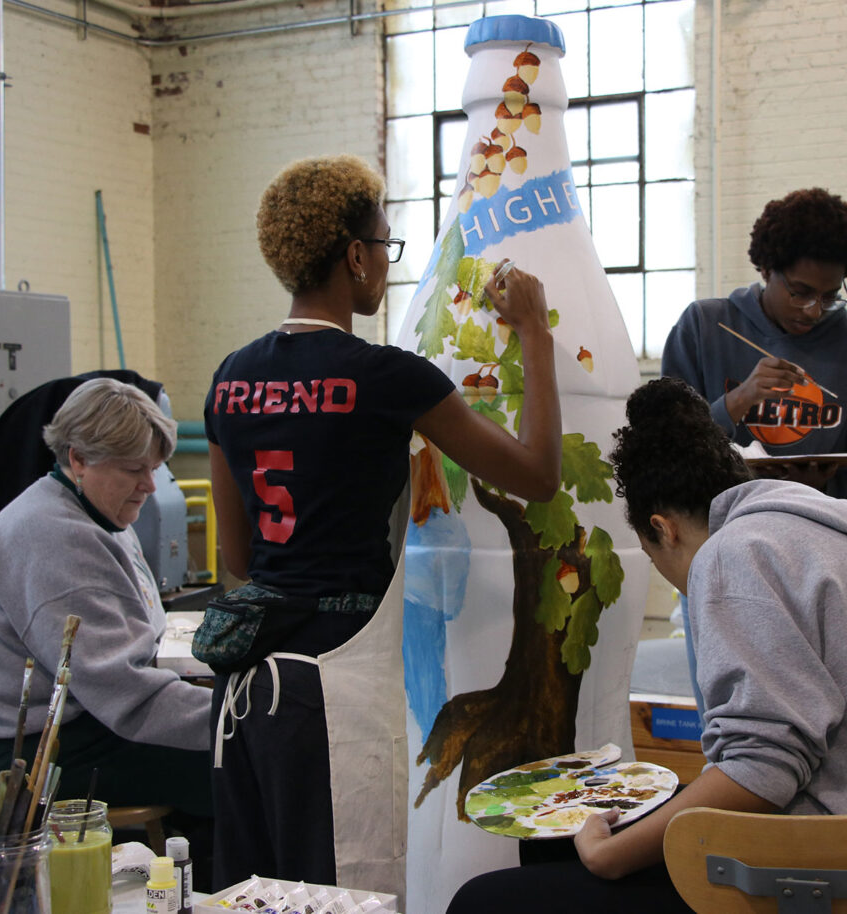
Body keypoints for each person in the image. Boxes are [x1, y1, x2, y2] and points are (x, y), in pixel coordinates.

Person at [446, 377, 847, 913]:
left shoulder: (733, 552)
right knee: (553, 852)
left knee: (484, 901)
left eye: (654, 562)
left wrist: (613, 856)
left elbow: (764, 769)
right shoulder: (823, 532)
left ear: (662, 529)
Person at [204, 154, 560, 892]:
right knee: (348, 895)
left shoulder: (230, 377)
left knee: (251, 897)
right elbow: (538, 475)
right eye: (385, 247)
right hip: (335, 686)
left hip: (241, 691)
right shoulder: (388, 377)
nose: (387, 265)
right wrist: (534, 334)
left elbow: (236, 553)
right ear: (355, 256)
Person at [0, 378, 213, 822]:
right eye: (134, 470)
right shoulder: (54, 538)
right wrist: (238, 719)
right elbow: (129, 696)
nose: (150, 486)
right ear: (77, 459)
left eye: (154, 468)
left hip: (86, 725)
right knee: (247, 766)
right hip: (42, 757)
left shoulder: (89, 512)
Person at [662, 187, 847, 521]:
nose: (813, 311)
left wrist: (820, 495)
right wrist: (737, 400)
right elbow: (663, 457)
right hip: (720, 536)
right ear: (766, 269)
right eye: (800, 293)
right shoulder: (703, 329)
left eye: (830, 296)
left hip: (822, 540)